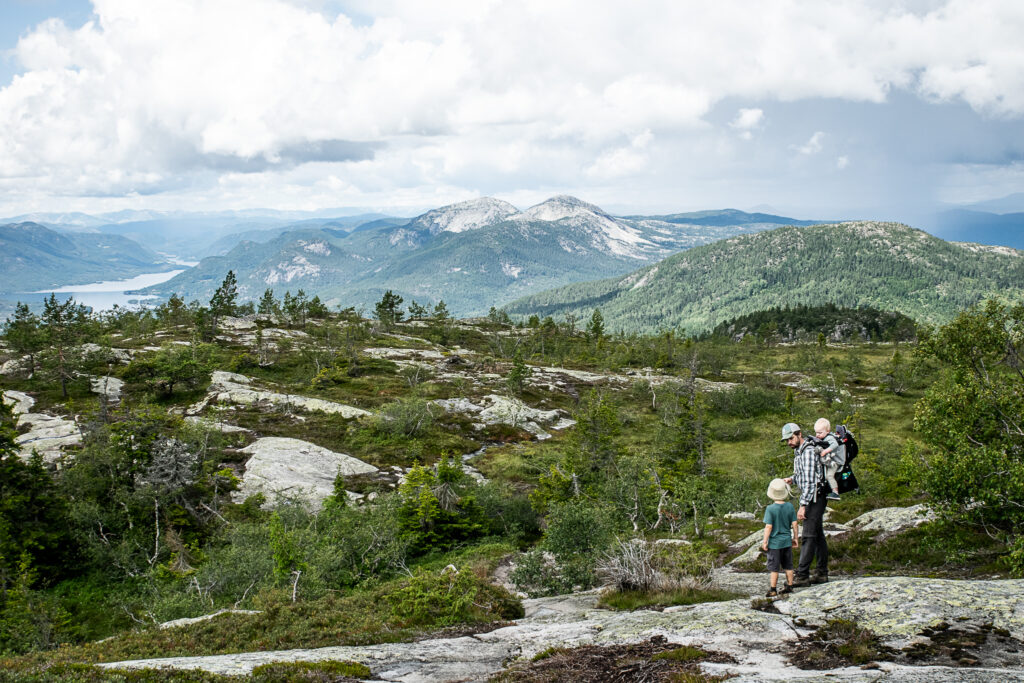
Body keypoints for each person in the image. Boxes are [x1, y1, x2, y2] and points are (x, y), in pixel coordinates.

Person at [781, 422, 830, 585]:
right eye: (786, 440)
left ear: (799, 434)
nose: (789, 442)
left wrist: (803, 506)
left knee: (808, 535)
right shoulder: (798, 452)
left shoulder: (808, 451)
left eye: (790, 438)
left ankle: (802, 575)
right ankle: (822, 573)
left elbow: (810, 482)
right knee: (818, 535)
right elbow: (803, 474)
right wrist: (792, 479)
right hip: (813, 496)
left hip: (815, 497)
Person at [761, 478, 798, 597]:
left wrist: (765, 541)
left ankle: (773, 589)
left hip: (775, 543)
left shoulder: (770, 509)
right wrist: (796, 538)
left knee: (774, 568)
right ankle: (790, 586)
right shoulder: (790, 506)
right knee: (788, 565)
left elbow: (768, 527)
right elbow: (795, 524)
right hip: (787, 541)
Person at [814, 418, 844, 501]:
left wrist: (825, 451)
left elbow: (835, 445)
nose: (817, 435)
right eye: (816, 433)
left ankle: (835, 492)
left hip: (836, 461)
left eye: (820, 433)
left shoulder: (830, 438)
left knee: (829, 476)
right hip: (831, 459)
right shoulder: (824, 437)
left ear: (827, 431)